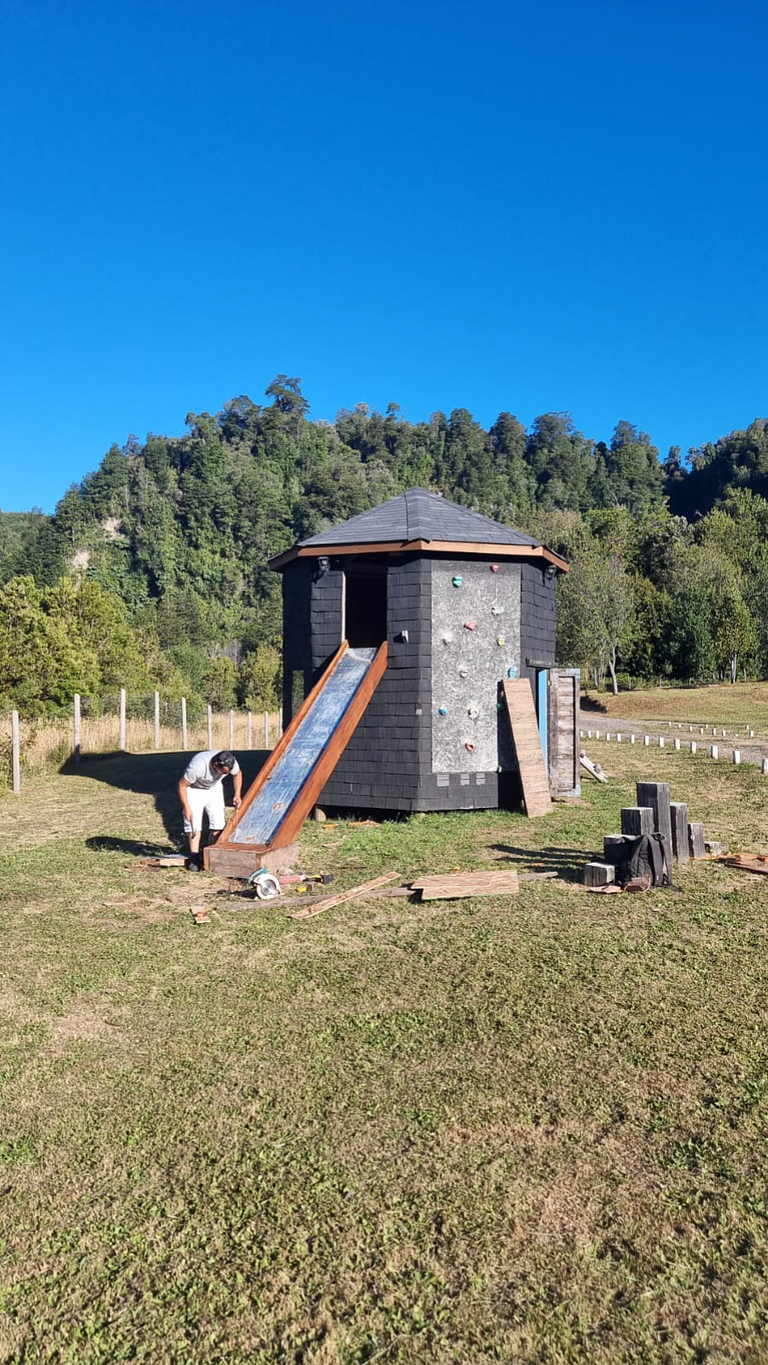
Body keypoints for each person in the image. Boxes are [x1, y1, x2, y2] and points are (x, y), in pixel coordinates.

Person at [178, 749, 243, 870]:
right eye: (224, 772)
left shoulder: (231, 762)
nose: (226, 774)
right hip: (194, 789)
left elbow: (238, 774)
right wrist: (186, 807)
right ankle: (194, 856)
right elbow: (182, 785)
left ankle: (213, 853)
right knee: (194, 824)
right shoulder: (197, 767)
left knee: (218, 823)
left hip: (214, 789)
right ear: (215, 765)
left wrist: (237, 794)